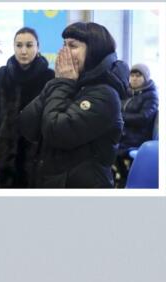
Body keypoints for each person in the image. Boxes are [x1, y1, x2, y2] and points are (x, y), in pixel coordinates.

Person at [19, 22, 129, 188]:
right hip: (51, 181)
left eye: (72, 46)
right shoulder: (69, 82)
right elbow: (27, 125)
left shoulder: (106, 95)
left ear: (93, 51)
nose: (64, 52)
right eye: (64, 45)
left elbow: (55, 131)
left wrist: (62, 83)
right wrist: (57, 83)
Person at [0, 27, 55, 188]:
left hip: (36, 156)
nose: (23, 51)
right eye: (19, 45)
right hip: (4, 155)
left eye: (29, 45)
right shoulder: (3, 74)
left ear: (38, 47)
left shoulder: (48, 77)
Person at [113, 63, 159, 186]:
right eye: (132, 75)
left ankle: (124, 180)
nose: (134, 78)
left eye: (138, 76)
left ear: (145, 78)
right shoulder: (127, 93)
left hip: (137, 137)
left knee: (113, 149)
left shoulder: (151, 95)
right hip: (123, 134)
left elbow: (144, 118)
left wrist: (120, 117)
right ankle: (118, 177)